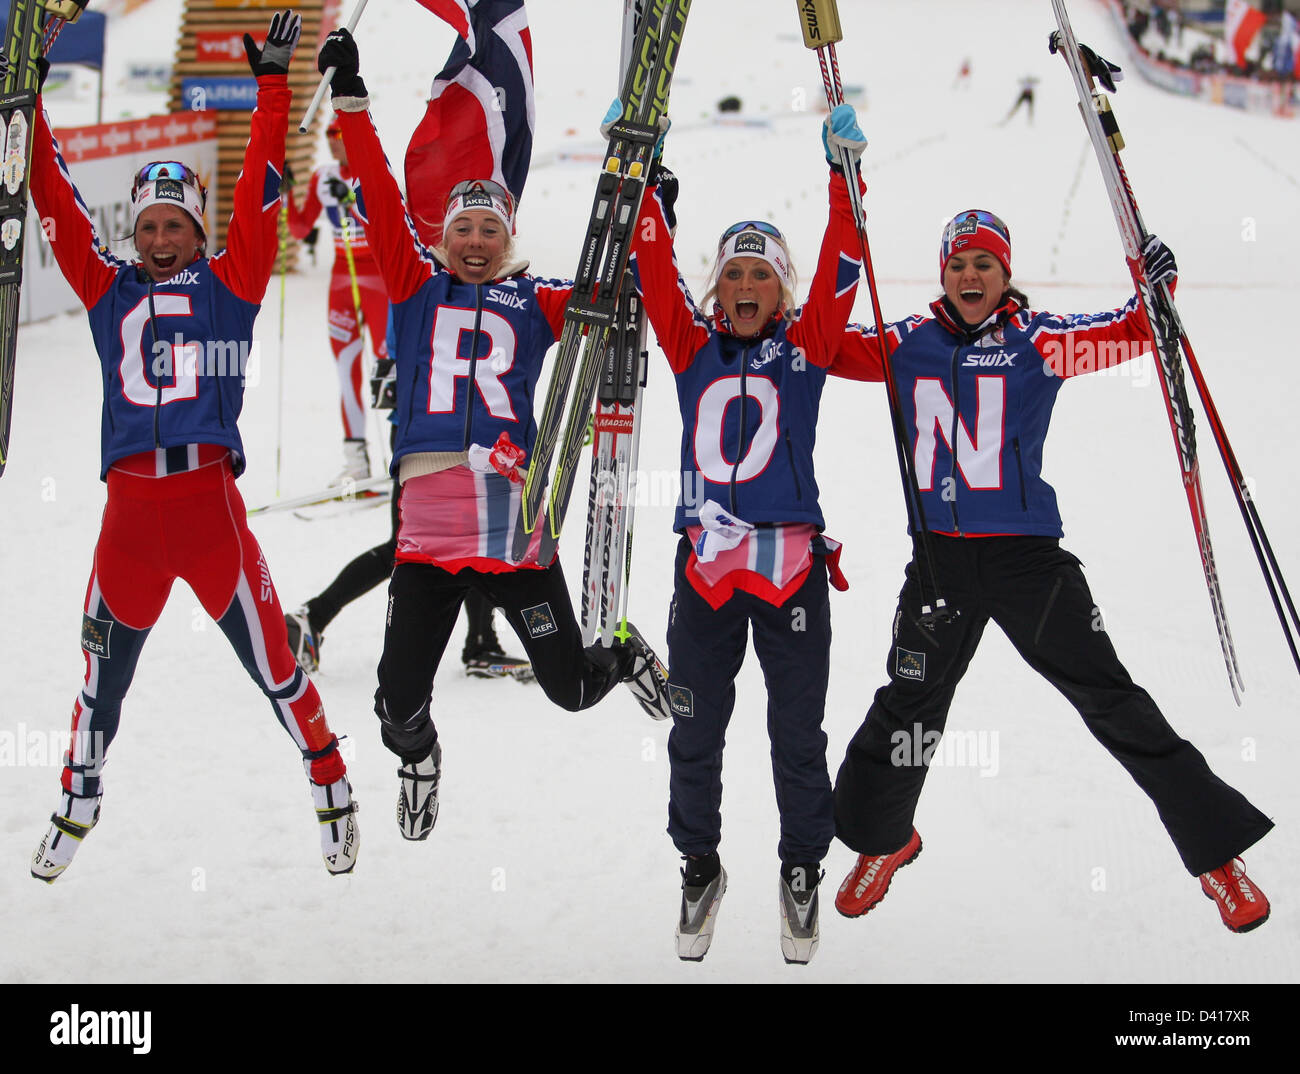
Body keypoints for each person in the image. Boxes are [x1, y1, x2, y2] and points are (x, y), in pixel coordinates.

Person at [830, 209, 1273, 935]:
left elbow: (1134, 330)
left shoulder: (1041, 343)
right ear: (941, 273)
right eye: (959, 264)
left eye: (985, 264)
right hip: (940, 559)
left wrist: (1155, 281)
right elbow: (820, 344)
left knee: (1111, 699)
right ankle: (886, 839)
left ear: (1006, 275)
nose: (970, 275)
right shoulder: (905, 342)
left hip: (1026, 562)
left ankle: (1218, 856)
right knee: (907, 706)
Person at [314, 30, 672, 843]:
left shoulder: (537, 300)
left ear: (508, 236)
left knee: (574, 691)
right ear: (444, 236)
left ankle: (625, 651)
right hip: (430, 545)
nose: (475, 242)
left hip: (517, 534)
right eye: (463, 229)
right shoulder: (413, 287)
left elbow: (611, 285)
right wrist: (352, 106)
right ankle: (420, 762)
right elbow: (372, 190)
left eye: (489, 229)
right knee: (395, 702)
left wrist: (643, 187)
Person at [26, 12, 359, 882]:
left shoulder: (229, 288)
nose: (163, 239)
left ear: (199, 235)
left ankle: (328, 776)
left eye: (177, 225)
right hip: (128, 523)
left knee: (277, 669)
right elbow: (56, 200)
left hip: (210, 512)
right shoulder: (106, 294)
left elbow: (261, 190)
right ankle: (77, 798)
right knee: (101, 683)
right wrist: (25, 109)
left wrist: (272, 86)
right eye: (150, 227)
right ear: (132, 234)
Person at [629, 104, 866, 964]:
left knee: (797, 738)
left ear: (780, 291)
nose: (742, 288)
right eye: (731, 274)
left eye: (758, 276)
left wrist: (845, 181)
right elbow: (651, 269)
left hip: (791, 569)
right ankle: (699, 863)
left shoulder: (806, 350)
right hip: (706, 575)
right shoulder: (690, 348)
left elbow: (845, 266)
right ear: (717, 287)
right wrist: (647, 184)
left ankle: (801, 867)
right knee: (694, 728)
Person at [283, 116, 389, 483]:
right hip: (343, 277)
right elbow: (299, 228)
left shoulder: (375, 167)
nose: (333, 143)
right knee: (346, 368)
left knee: (388, 366)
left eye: (340, 135)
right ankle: (357, 463)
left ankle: (399, 458)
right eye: (329, 136)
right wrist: (286, 193)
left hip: (377, 278)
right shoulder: (322, 177)